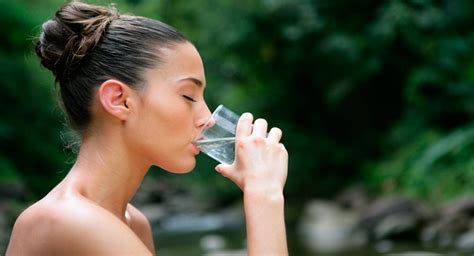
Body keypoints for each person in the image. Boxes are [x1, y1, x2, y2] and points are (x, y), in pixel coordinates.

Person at [6, 1, 288, 255]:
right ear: (120, 100)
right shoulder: (68, 220)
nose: (208, 118)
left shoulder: (133, 222)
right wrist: (264, 194)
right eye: (188, 95)